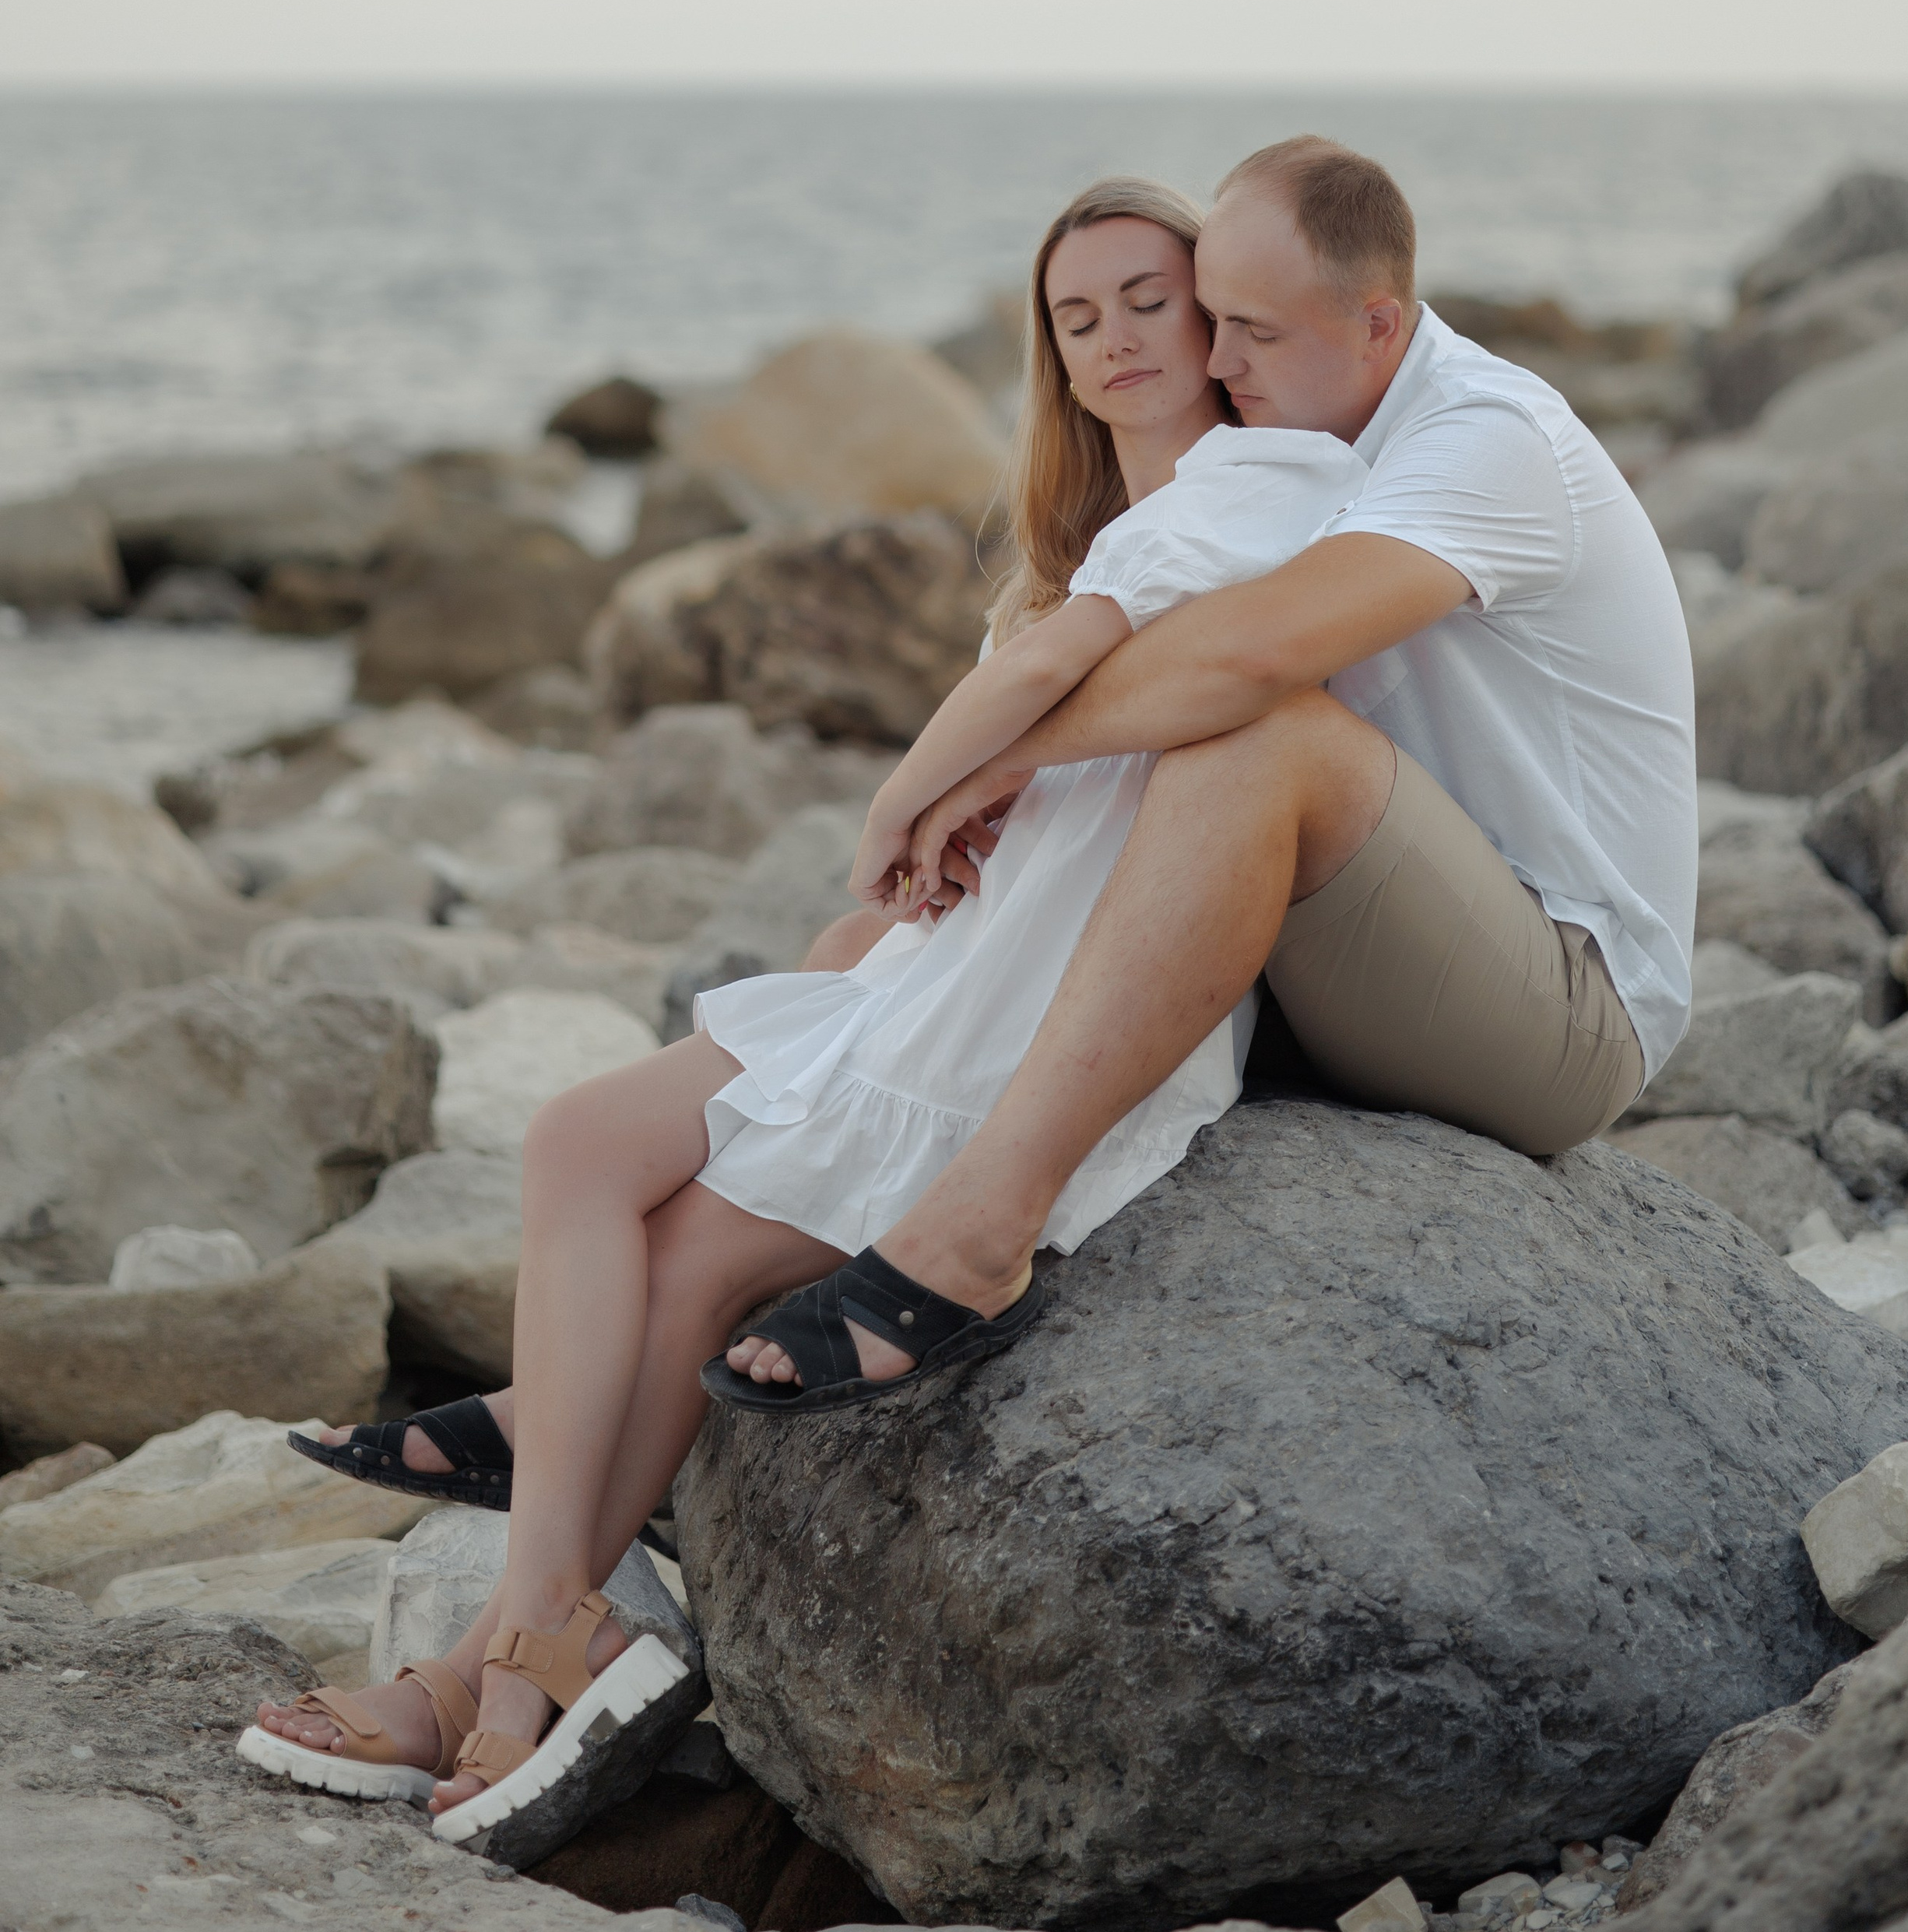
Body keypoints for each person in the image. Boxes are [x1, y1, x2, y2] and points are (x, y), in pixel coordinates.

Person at [237, 174, 1369, 1836]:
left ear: (1216, 322)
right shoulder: (1077, 543)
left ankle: (502, 1653)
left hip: (1054, 1000)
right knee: (577, 1146)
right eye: (1075, 317)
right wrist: (898, 881)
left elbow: (1065, 677)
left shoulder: (1264, 478)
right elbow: (1049, 706)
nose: (1115, 339)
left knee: (682, 1251)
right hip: (949, 970)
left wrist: (912, 790)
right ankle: (532, 1632)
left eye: (1148, 299)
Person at [722, 134, 1697, 1403]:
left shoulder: (1487, 439)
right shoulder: (1307, 441)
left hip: (1565, 1004)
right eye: (1212, 320)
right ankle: (648, 1341)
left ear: (1378, 324)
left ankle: (979, 1235)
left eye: (1254, 332)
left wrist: (987, 763)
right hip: (1368, 953)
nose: (1218, 362)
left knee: (1262, 737)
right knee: (865, 951)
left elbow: (1247, 659)